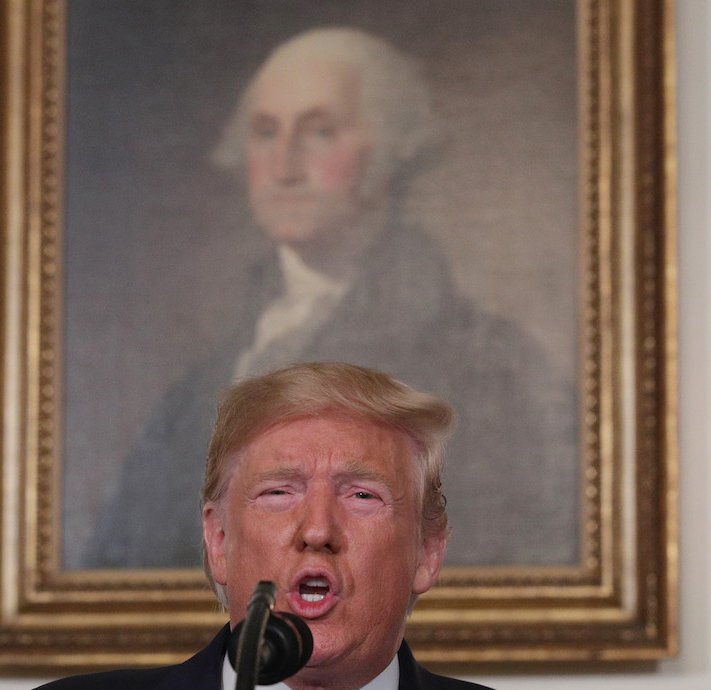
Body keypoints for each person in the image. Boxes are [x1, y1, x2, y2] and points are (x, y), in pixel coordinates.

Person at [0, 362, 631, 690]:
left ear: (427, 549)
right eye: (278, 493)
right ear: (217, 541)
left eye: (363, 495)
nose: (317, 528)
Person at [89, 27, 579, 571]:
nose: (285, 164)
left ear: (392, 149)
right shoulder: (204, 379)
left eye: (320, 131)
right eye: (265, 132)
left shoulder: (491, 363)